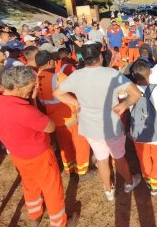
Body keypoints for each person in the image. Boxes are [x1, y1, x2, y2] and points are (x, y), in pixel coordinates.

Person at [53, 42, 142, 201]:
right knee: (119, 157)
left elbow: (57, 93)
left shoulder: (76, 75)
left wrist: (76, 103)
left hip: (89, 126)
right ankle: (129, 182)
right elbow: (135, 94)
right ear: (100, 57)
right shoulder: (111, 74)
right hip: (111, 126)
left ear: (83, 59)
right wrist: (124, 105)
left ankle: (108, 190)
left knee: (101, 158)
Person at [0, 66, 67, 227]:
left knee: (30, 183)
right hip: (39, 155)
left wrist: (29, 99)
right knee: (52, 189)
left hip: (18, 155)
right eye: (30, 88)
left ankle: (35, 213)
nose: (33, 91)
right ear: (17, 87)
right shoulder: (25, 111)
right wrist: (32, 103)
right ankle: (59, 222)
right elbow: (50, 126)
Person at [35, 51, 90, 175]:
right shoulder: (58, 77)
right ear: (50, 62)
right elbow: (77, 91)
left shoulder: (35, 79)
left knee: (64, 145)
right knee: (80, 143)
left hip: (54, 120)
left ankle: (69, 168)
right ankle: (82, 170)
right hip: (71, 117)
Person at [130, 60, 157, 196]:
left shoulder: (128, 91)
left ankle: (147, 178)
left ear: (133, 74)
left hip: (138, 133)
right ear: (150, 72)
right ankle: (156, 185)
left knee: (143, 157)